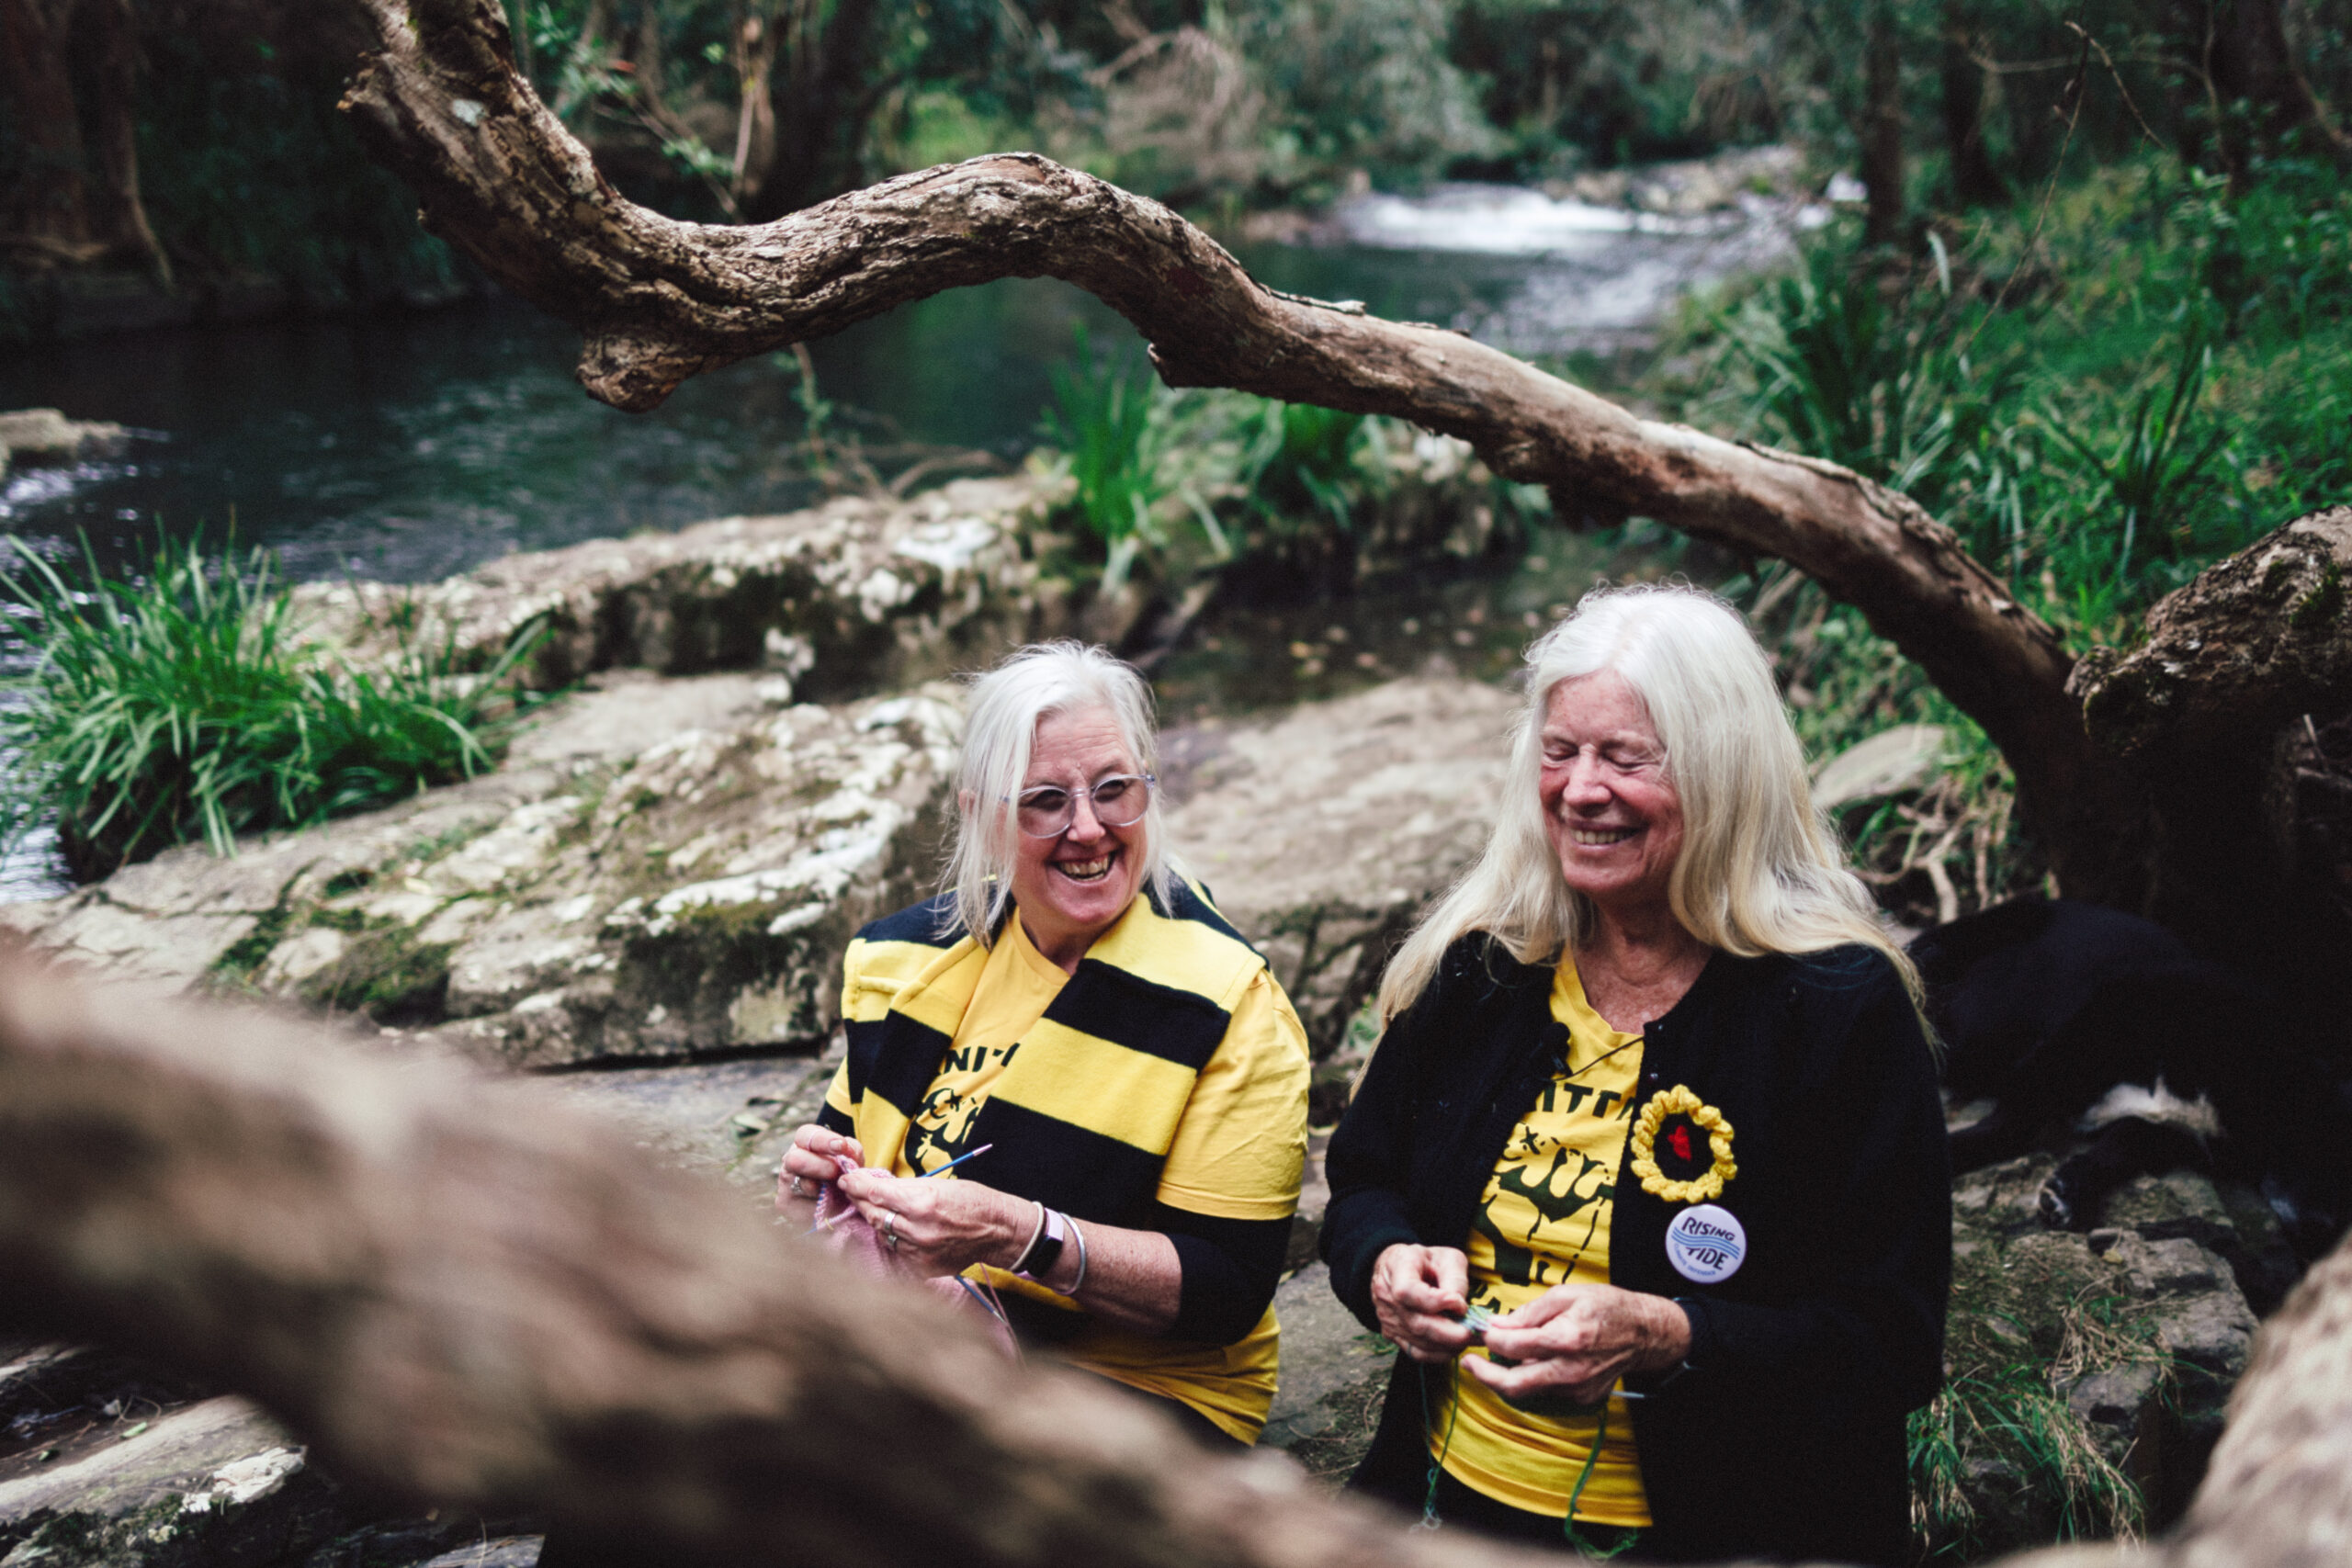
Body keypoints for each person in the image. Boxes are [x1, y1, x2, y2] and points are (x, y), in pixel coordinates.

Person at [1320, 584, 1949, 1564]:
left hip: (1718, 1535)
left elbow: (1891, 1341)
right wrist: (1386, 1263)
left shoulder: (1833, 1008)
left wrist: (1667, 1332)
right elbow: (1365, 1181)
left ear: (1719, 773)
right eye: (1560, 752)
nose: (1578, 790)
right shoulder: (1488, 969)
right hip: (1437, 1510)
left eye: (1624, 757)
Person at [779, 639, 1311, 1449]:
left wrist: (1020, 1234)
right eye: (1044, 801)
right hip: (933, 1347)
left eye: (1112, 791)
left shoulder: (1227, 1002)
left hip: (1137, 1389)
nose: (1088, 828)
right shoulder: (902, 961)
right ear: (980, 816)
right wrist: (813, 1196)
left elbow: (1226, 1288)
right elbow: (855, 1176)